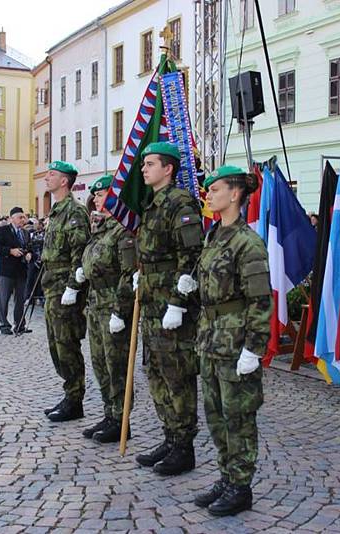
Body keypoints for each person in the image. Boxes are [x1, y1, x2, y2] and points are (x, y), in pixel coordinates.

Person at [189, 165, 272, 516]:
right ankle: (226, 476)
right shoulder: (214, 236)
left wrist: (254, 348)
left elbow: (260, 300)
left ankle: (240, 486)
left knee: (238, 415)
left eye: (216, 188)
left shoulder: (247, 242)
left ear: (235, 193)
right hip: (211, 339)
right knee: (216, 414)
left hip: (236, 339)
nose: (209, 194)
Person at [134, 142, 203, 476]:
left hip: (170, 306)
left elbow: (190, 256)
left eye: (150, 164)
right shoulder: (154, 205)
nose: (144, 169)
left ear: (168, 168)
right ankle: (169, 436)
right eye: (144, 164)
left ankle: (184, 446)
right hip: (151, 302)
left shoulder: (181, 203)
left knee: (177, 375)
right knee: (157, 373)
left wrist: (177, 302)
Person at [80, 175, 137, 443]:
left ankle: (121, 418)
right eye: (96, 196)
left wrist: (120, 311)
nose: (97, 199)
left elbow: (128, 274)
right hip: (95, 304)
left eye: (103, 195)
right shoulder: (99, 230)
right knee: (100, 363)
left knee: (116, 365)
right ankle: (108, 413)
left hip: (113, 304)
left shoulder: (122, 231)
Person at [40, 160, 90, 423]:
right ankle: (69, 394)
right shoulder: (56, 211)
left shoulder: (74, 212)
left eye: (52, 174)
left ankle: (75, 398)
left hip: (64, 288)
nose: (47, 177)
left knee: (67, 344)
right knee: (55, 345)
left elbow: (79, 254)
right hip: (51, 286)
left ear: (64, 181)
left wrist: (73, 287)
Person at [0, 207, 32, 335]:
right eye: (20, 217)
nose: (22, 220)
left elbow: (29, 247)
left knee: (20, 299)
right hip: (7, 271)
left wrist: (29, 254)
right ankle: (4, 325)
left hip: (21, 270)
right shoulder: (3, 230)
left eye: (23, 217)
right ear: (12, 218)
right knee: (4, 298)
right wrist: (10, 251)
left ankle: (19, 324)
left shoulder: (25, 233)